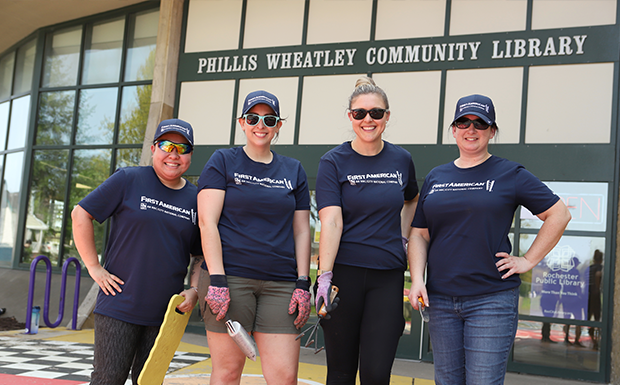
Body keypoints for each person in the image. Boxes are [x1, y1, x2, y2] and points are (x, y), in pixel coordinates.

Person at [407, 94, 571, 385]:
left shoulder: (510, 173)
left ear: (492, 131)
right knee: (447, 381)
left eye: (480, 123)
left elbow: (558, 214)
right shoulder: (436, 176)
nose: (471, 129)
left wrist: (528, 259)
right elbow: (420, 233)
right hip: (441, 300)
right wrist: (417, 278)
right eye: (463, 122)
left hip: (491, 301)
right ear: (454, 129)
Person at [72, 118, 202, 385]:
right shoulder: (129, 179)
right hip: (119, 305)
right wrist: (94, 268)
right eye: (167, 145)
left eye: (182, 148)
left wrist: (195, 289)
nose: (173, 154)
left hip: (165, 314)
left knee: (149, 382)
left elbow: (200, 254)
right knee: (109, 379)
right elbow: (80, 214)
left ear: (190, 155)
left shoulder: (196, 198)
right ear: (154, 148)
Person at [197, 90, 311, 385]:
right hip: (231, 280)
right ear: (242, 122)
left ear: (278, 125)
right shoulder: (222, 160)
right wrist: (218, 281)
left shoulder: (293, 170)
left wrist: (302, 282)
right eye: (253, 118)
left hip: (281, 284)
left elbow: (301, 230)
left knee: (285, 377)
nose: (261, 124)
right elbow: (207, 223)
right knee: (228, 373)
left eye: (269, 119)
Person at [315, 77, 419, 384]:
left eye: (376, 113)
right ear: (350, 117)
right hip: (344, 276)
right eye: (359, 113)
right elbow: (332, 221)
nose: (368, 120)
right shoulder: (333, 162)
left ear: (387, 116)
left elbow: (412, 199)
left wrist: (402, 236)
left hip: (386, 276)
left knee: (376, 374)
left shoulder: (402, 159)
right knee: (341, 373)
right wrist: (324, 276)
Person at [587, 249, 603, 350]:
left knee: (589, 318)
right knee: (597, 319)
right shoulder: (600, 268)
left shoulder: (589, 268)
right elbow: (598, 275)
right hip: (595, 295)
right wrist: (597, 288)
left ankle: (593, 339)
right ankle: (595, 342)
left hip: (588, 295)